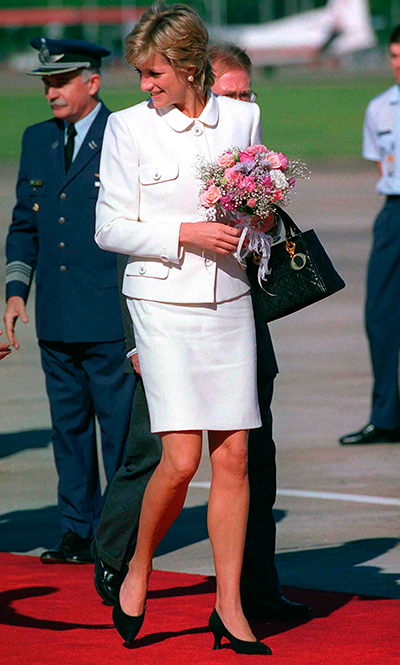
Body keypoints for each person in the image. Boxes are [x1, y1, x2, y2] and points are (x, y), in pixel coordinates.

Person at [95, 4, 303, 653]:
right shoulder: (127, 127)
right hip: (160, 303)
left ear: (188, 67)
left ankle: (229, 607)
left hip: (230, 301)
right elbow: (109, 228)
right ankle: (138, 566)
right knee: (181, 458)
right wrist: (185, 231)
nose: (144, 84)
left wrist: (262, 219)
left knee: (234, 455)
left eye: (153, 72)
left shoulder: (242, 119)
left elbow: (257, 218)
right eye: (140, 73)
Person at [3, 37, 136, 563]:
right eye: (46, 84)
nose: (50, 93)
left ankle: (119, 536)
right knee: (68, 429)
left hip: (108, 313)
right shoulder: (38, 139)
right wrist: (16, 292)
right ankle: (77, 529)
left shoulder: (123, 134)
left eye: (60, 82)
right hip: (56, 315)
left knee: (119, 431)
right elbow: (24, 224)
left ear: (92, 82)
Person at [340, 25, 400, 446]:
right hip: (394, 212)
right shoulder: (380, 108)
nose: (399, 65)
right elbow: (383, 165)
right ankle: (386, 417)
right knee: (380, 315)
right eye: (394, 56)